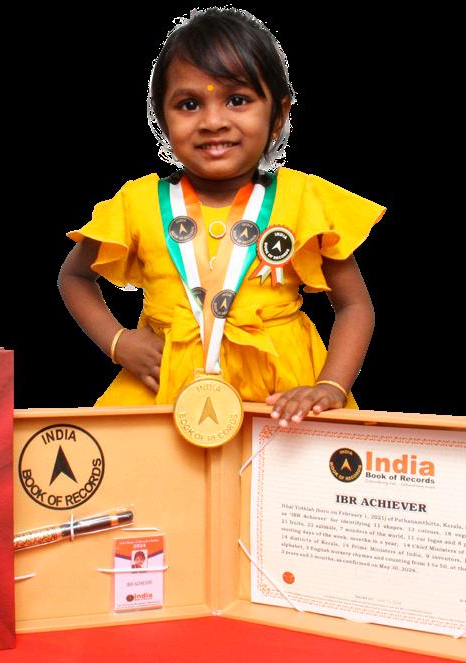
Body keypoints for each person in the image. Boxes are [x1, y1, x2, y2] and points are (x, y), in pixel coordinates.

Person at [59, 7, 385, 429]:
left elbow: (354, 305)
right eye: (189, 104)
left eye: (237, 100)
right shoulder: (135, 203)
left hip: (284, 401)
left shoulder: (307, 201)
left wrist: (331, 386)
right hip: (164, 395)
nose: (213, 122)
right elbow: (75, 277)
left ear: (278, 115)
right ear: (162, 118)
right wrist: (118, 342)